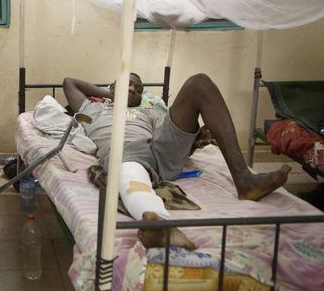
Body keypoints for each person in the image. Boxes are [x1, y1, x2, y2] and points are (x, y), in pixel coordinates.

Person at [63, 73, 290, 250]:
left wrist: (193, 141)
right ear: (112, 90)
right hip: (124, 153)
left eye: (138, 89)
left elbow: (170, 135)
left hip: (156, 148)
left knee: (199, 83)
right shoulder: (93, 108)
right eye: (127, 85)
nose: (132, 89)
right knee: (128, 154)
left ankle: (245, 180)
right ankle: (158, 222)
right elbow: (69, 82)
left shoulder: (150, 111)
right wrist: (114, 95)